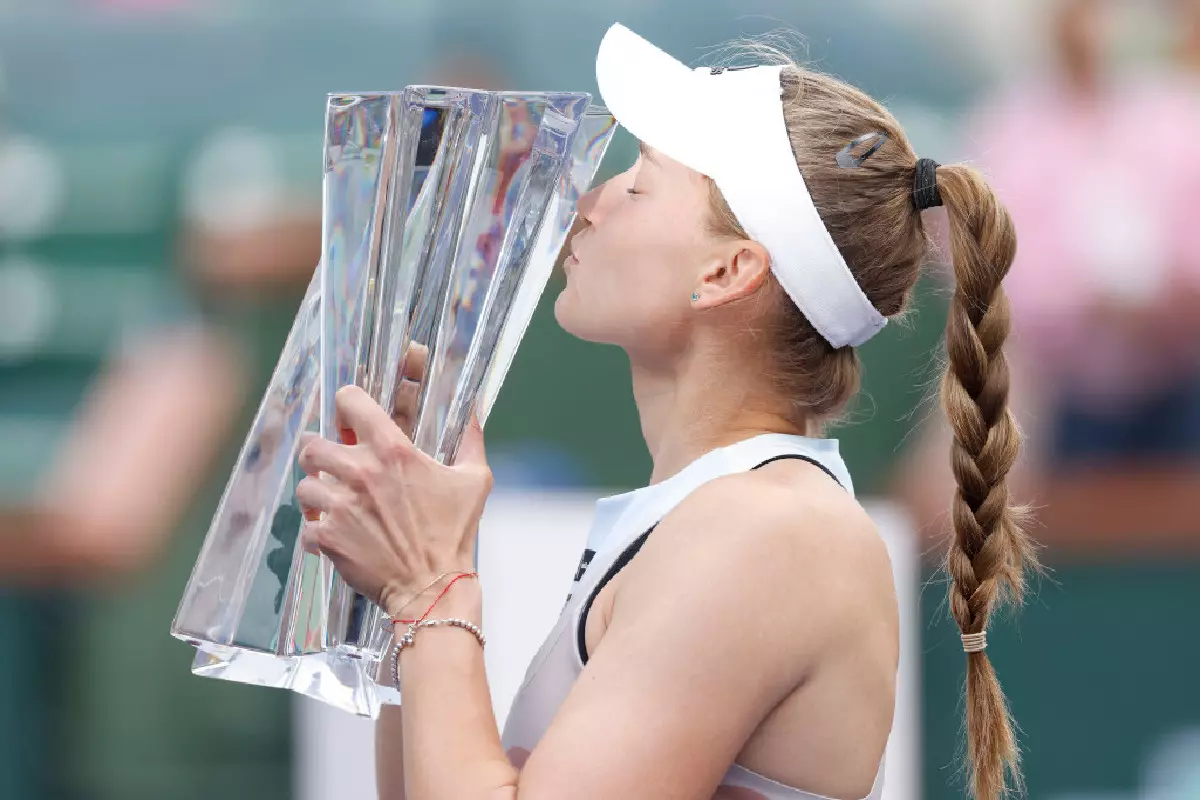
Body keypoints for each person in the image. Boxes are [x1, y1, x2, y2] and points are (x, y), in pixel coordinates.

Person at [295, 23, 1035, 800]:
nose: (588, 204)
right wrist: (404, 576)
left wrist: (430, 585)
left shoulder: (767, 533)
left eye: (638, 183)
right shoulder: (735, 515)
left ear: (726, 271)